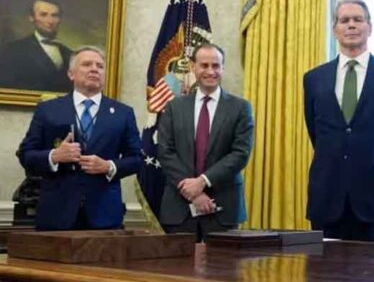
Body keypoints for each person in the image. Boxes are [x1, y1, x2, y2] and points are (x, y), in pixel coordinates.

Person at [303, 0, 374, 243]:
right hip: (328, 197)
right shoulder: (314, 79)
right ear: (335, 30)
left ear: (369, 27)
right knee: (325, 269)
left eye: (358, 19)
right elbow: (315, 131)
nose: (351, 25)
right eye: (344, 20)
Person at [18, 46, 142, 230]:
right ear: (71, 74)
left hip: (104, 214)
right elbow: (26, 154)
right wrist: (54, 156)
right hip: (57, 213)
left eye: (100, 66)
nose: (94, 69)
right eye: (87, 64)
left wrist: (109, 166)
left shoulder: (123, 113)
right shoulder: (48, 110)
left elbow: (137, 158)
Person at [157, 43, 254, 241]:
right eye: (204, 65)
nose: (210, 71)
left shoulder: (240, 108)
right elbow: (165, 152)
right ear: (193, 67)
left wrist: (202, 182)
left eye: (216, 66)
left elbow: (240, 154)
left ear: (223, 68)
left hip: (223, 206)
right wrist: (193, 193)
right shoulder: (174, 107)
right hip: (179, 208)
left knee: (222, 262)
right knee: (179, 262)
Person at [0, 0, 73, 93]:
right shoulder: (13, 49)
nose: (50, 21)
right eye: (43, 15)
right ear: (31, 18)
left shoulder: (69, 54)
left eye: (54, 15)